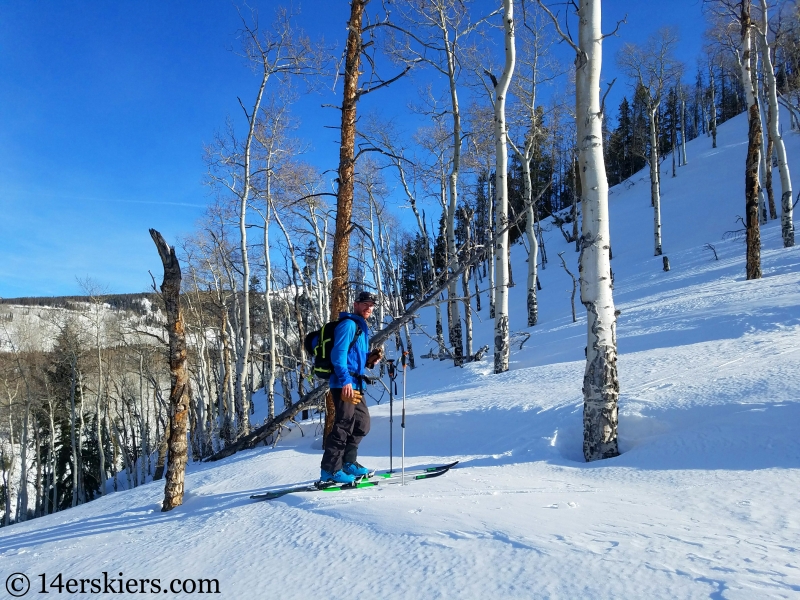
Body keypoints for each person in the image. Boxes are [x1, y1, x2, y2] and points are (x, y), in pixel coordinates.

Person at [320, 291, 383, 484]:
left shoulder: (361, 328)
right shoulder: (348, 325)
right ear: (355, 304)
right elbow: (338, 356)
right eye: (365, 303)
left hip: (355, 383)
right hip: (343, 384)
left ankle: (348, 462)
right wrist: (345, 381)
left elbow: (354, 358)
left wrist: (370, 360)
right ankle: (330, 470)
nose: (369, 308)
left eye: (372, 305)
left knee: (362, 424)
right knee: (343, 425)